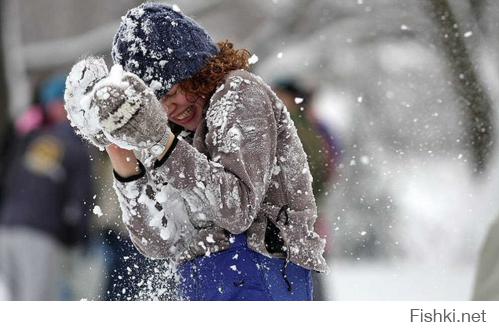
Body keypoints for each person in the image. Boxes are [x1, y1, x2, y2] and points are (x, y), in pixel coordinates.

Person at [64, 3, 327, 301]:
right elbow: (160, 242)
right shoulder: (170, 132)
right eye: (156, 101)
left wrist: (162, 142)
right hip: (204, 281)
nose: (169, 108)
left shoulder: (240, 93)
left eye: (174, 90)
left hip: (263, 274)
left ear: (201, 70)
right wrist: (117, 147)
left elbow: (237, 209)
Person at [0, 75, 92, 300]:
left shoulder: (29, 137)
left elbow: (7, 179)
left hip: (6, 227)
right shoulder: (74, 146)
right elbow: (82, 199)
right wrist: (78, 239)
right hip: (41, 234)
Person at [273, 79, 339, 300]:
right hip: (304, 216)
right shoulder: (311, 126)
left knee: (306, 277)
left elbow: (323, 169)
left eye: (281, 95)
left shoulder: (301, 128)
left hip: (301, 218)